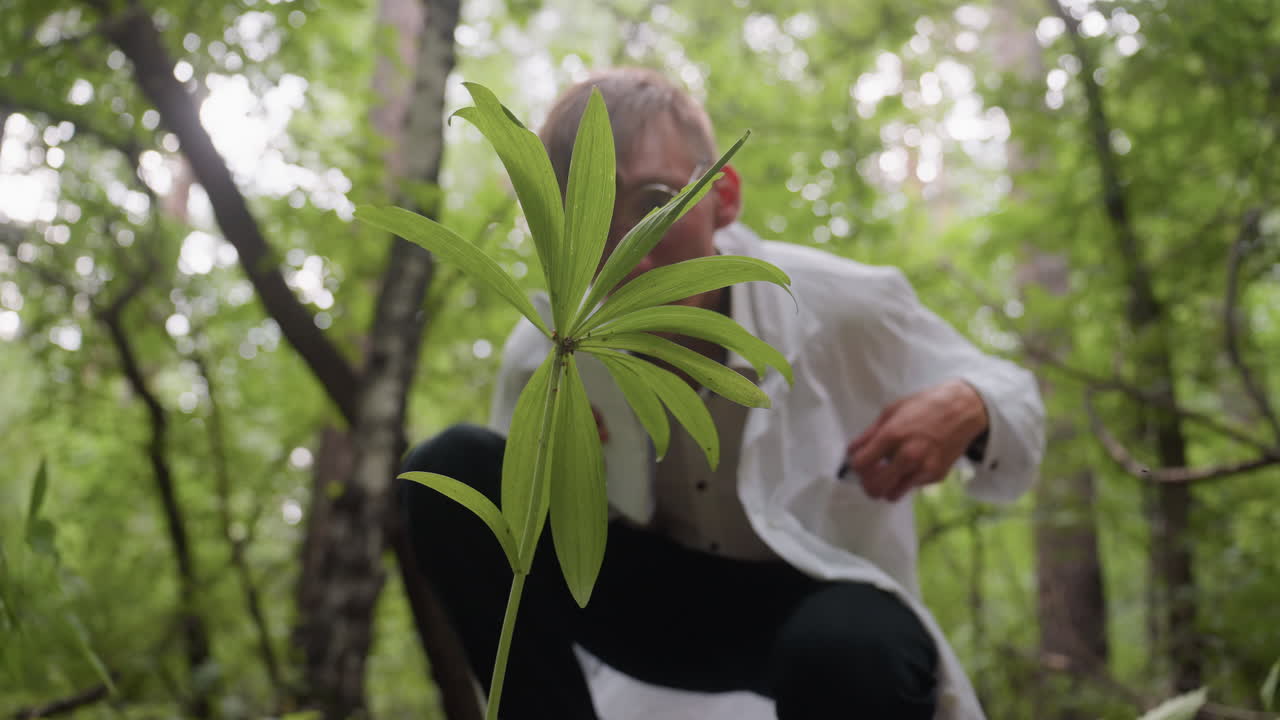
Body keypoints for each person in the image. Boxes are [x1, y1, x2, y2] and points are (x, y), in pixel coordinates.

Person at [400, 67, 1045, 720]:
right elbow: (519, 563)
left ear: (723, 196)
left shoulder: (837, 303)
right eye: (578, 217)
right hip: (647, 606)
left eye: (655, 201)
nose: (623, 246)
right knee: (446, 471)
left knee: (846, 651)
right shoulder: (547, 350)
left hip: (827, 603)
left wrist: (970, 403)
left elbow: (1013, 393)